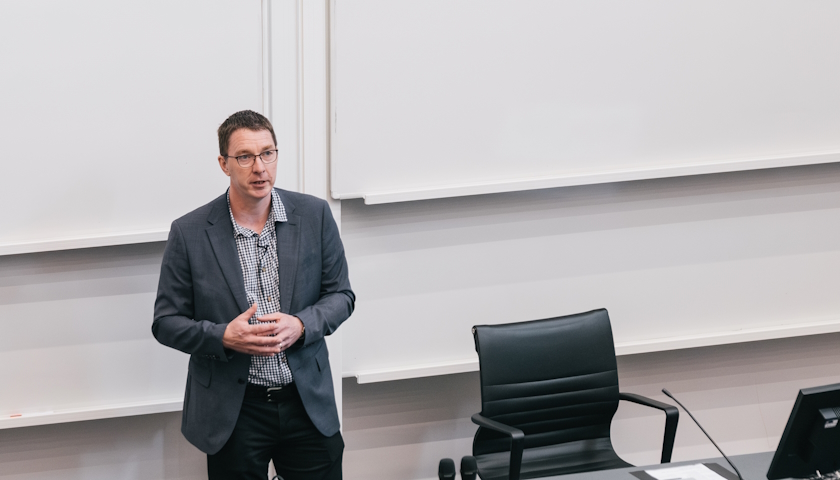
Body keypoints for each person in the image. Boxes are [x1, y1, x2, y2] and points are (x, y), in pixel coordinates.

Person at [152, 110, 354, 480]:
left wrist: (301, 325)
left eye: (267, 153)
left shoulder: (314, 215)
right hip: (235, 409)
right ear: (224, 164)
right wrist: (223, 337)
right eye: (245, 157)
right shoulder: (190, 232)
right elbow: (166, 323)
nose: (259, 167)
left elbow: (341, 295)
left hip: (305, 400)